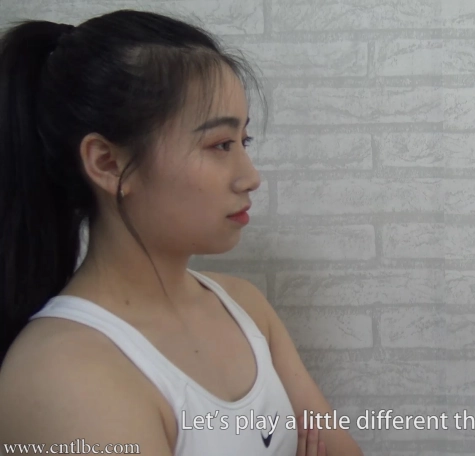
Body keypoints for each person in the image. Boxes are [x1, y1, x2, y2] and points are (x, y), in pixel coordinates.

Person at [0, 10, 363, 456]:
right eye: (220, 145)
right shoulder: (65, 373)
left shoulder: (246, 308)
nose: (250, 177)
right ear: (107, 163)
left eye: (243, 142)